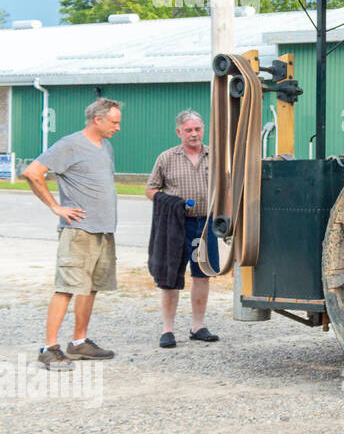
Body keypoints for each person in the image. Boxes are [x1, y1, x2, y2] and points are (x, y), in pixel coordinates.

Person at [22, 98, 122, 370]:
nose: (118, 127)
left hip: (103, 230)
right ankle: (49, 347)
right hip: (78, 232)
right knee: (66, 288)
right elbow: (32, 172)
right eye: (114, 122)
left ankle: (79, 343)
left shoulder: (106, 146)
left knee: (90, 288)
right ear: (97, 120)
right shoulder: (69, 144)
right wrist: (56, 206)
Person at [146, 110, 220, 348]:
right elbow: (151, 190)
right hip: (176, 226)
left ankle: (197, 326)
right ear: (179, 132)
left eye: (197, 129)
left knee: (202, 275)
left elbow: (227, 188)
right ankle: (167, 330)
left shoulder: (215, 156)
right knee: (170, 278)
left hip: (205, 225)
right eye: (188, 130)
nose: (194, 134)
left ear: (203, 129)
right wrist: (173, 204)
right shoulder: (166, 158)